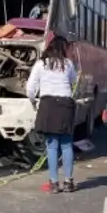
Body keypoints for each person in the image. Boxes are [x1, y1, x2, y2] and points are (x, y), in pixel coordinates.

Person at [26, 36, 79, 193]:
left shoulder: (40, 64)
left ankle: (54, 182)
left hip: (48, 104)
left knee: (52, 145)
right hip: (65, 105)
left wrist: (33, 101)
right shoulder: (68, 64)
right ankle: (69, 181)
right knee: (67, 144)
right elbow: (74, 81)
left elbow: (30, 87)